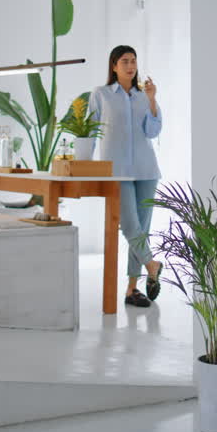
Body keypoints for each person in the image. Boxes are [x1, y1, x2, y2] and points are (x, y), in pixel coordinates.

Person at [89, 45, 162, 308]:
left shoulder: (144, 96)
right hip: (116, 171)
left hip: (146, 170)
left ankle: (132, 289)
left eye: (133, 61)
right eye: (124, 61)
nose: (130, 66)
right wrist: (85, 164)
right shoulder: (101, 95)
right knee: (130, 226)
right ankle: (153, 265)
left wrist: (152, 100)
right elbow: (89, 129)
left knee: (141, 231)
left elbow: (153, 131)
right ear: (114, 66)